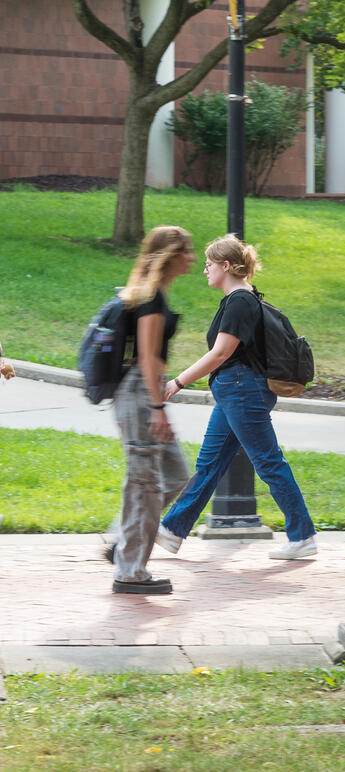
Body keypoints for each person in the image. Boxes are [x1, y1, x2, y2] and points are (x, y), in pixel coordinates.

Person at [160, 235, 318, 560]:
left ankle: (302, 536)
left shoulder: (240, 302)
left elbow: (220, 353)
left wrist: (178, 381)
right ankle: (172, 530)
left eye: (209, 264)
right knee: (210, 464)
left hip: (242, 390)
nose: (205, 269)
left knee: (268, 461)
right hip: (235, 391)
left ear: (226, 266)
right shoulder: (240, 299)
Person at [105, 226, 195, 594]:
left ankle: (121, 542)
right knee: (144, 485)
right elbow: (147, 357)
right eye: (186, 251)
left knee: (174, 475)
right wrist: (158, 407)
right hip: (141, 392)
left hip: (143, 393)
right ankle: (130, 572)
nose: (191, 257)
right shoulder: (151, 299)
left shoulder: (151, 295)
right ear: (170, 256)